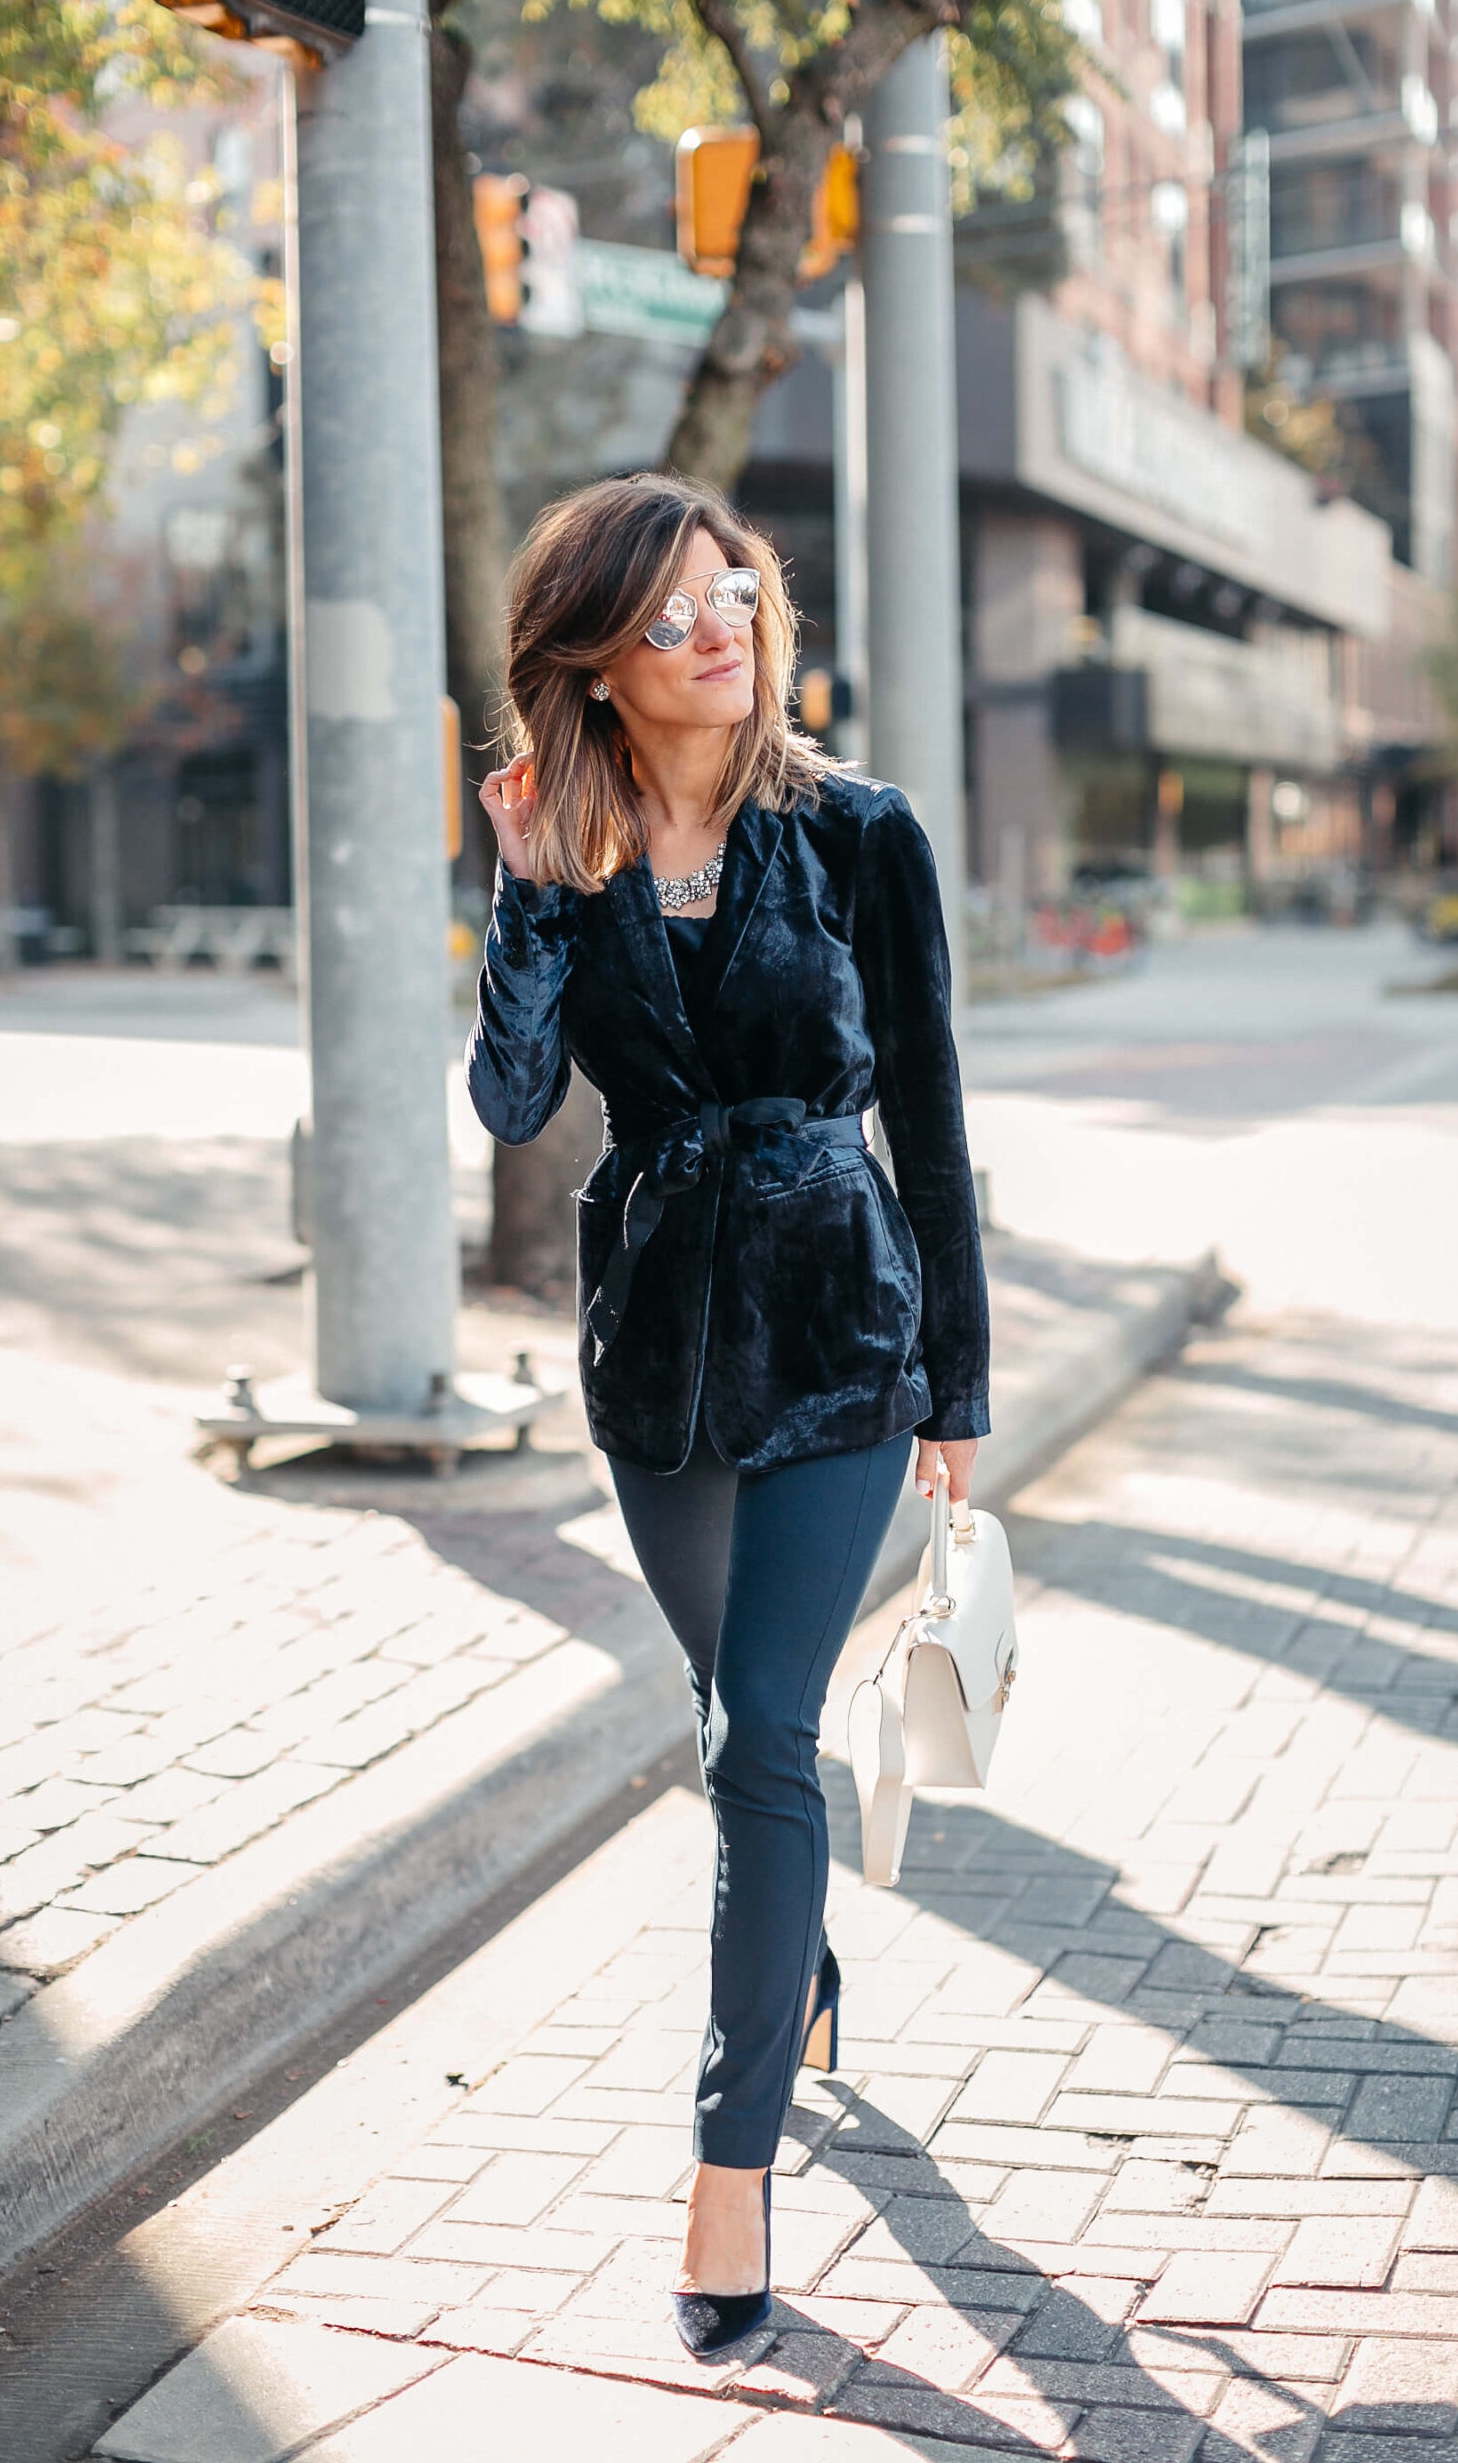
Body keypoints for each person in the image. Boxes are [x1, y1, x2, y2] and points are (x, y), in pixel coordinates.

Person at [467, 472, 989, 2355]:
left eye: (734, 591)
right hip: (656, 1359)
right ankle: (806, 1971)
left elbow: (927, 1114)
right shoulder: (564, 841)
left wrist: (960, 1385)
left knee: (759, 1735)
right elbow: (518, 1110)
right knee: (737, 1725)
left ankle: (728, 2169)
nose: (722, 623)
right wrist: (524, 910)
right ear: (593, 666)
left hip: (843, 1331)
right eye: (674, 608)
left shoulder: (860, 832)